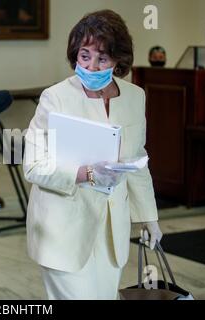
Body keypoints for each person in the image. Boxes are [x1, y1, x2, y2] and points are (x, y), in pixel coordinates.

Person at [23, 10, 163, 300]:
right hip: (63, 229)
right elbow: (34, 166)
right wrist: (87, 173)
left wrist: (149, 217)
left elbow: (137, 158)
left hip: (112, 233)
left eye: (102, 58)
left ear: (118, 59)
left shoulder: (135, 97)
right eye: (84, 56)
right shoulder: (56, 98)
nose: (92, 66)